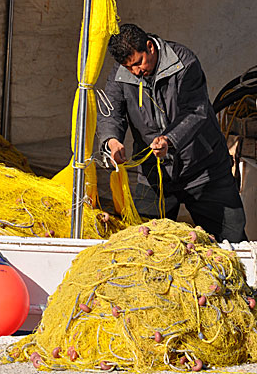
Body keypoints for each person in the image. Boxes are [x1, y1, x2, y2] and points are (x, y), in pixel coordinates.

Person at [97, 23, 246, 242]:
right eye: (129, 67)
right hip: (154, 176)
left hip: (204, 170)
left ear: (150, 47)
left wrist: (170, 140)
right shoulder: (121, 75)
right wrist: (111, 141)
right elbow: (111, 113)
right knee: (144, 244)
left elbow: (196, 111)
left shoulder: (184, 63)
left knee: (232, 242)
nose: (136, 71)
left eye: (139, 62)